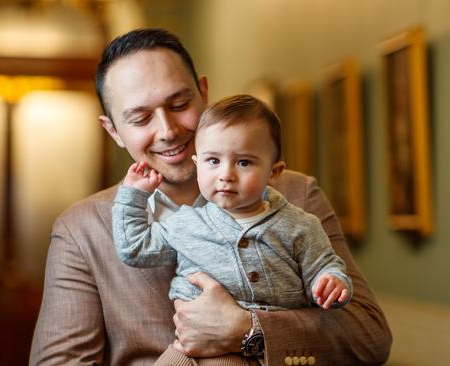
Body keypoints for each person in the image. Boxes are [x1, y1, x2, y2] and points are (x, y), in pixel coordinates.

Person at [29, 28, 391, 366]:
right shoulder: (80, 231)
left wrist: (247, 331)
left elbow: (369, 335)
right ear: (114, 131)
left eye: (179, 103)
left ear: (203, 93)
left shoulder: (297, 195)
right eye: (140, 119)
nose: (168, 131)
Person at [114, 94, 353, 364]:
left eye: (243, 162)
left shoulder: (300, 226)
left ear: (274, 172)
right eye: (213, 161)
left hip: (262, 349)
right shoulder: (185, 224)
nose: (225, 174)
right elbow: (134, 249)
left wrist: (331, 282)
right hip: (187, 347)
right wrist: (133, 196)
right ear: (197, 165)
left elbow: (323, 266)